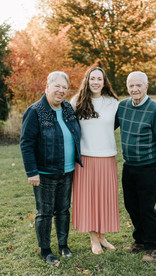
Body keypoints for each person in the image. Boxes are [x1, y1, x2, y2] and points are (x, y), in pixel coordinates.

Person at [20, 71, 82, 265]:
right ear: (47, 87)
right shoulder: (35, 110)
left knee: (63, 210)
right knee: (45, 212)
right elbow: (26, 143)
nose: (61, 90)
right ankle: (45, 250)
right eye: (57, 86)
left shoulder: (68, 109)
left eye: (64, 87)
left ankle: (63, 245)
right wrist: (32, 172)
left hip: (67, 170)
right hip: (45, 173)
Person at [115, 71, 156, 262]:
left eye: (139, 85)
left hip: (148, 167)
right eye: (131, 85)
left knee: (146, 208)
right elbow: (105, 125)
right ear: (127, 87)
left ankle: (152, 246)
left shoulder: (155, 110)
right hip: (129, 167)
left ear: (146, 86)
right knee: (131, 206)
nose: (135, 89)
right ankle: (139, 240)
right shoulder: (122, 106)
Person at [70, 66, 120, 255]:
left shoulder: (113, 103)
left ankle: (102, 236)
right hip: (85, 158)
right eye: (92, 79)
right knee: (90, 200)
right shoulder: (77, 101)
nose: (96, 82)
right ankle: (93, 239)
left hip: (107, 157)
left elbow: (115, 124)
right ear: (87, 81)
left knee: (105, 199)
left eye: (99, 79)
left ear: (104, 81)